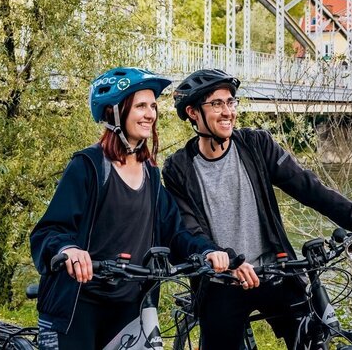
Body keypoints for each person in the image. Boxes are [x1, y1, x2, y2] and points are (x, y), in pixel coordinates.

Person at [162, 68, 352, 349]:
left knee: (312, 336)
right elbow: (189, 229)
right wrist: (217, 257)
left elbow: (309, 187)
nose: (228, 111)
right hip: (223, 282)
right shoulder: (179, 168)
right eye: (217, 104)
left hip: (276, 273)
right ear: (193, 112)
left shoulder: (256, 145)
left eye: (231, 102)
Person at [29, 67, 229, 350]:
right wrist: (68, 251)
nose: (150, 114)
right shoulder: (88, 167)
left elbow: (175, 232)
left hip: (127, 306)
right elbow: (50, 230)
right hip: (78, 305)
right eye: (140, 106)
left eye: (153, 106)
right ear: (115, 112)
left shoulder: (150, 174)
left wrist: (206, 251)